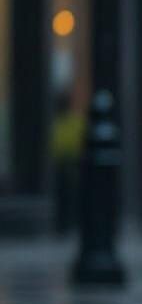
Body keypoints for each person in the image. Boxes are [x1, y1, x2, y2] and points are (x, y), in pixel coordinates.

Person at [50, 91, 85, 234]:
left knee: (72, 195)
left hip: (73, 165)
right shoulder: (57, 122)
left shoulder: (73, 121)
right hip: (61, 166)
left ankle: (71, 222)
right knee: (62, 196)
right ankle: (62, 224)